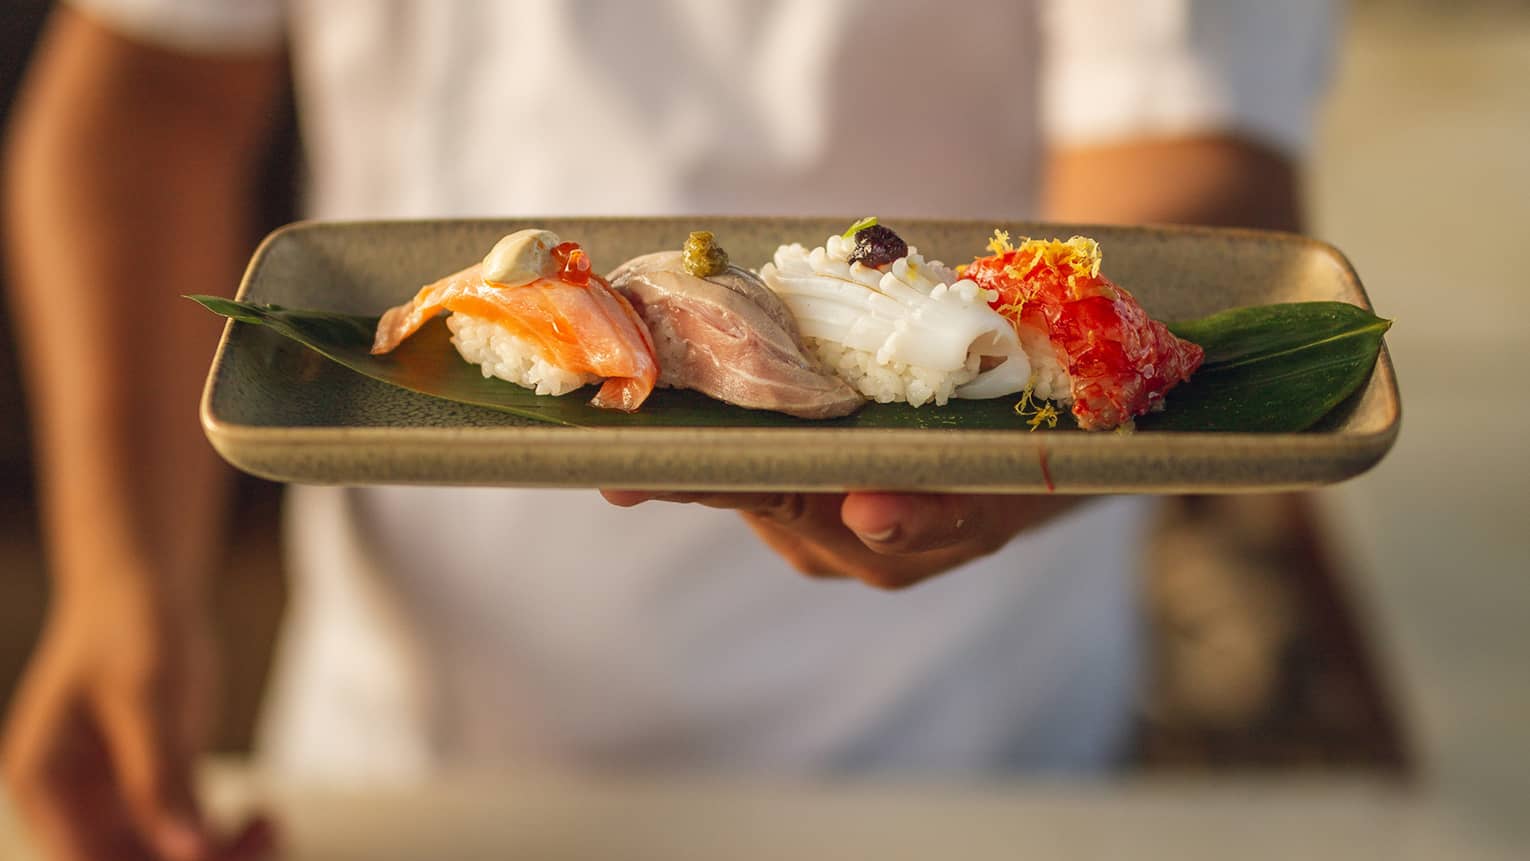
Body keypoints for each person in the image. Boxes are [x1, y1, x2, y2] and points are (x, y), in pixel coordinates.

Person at [2, 1, 1335, 858]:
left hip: (955, 754)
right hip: (407, 751)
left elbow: (1192, 156)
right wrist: (120, 577)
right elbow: (150, 88)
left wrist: (1002, 431)